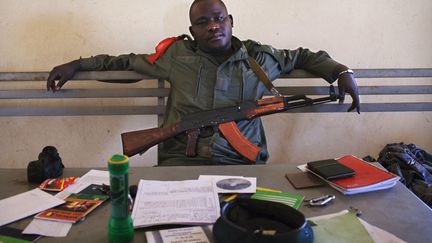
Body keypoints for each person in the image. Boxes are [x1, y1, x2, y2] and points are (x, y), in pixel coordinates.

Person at [46, 0, 360, 166]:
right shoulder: (176, 55)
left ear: (231, 21)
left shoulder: (261, 58)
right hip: (180, 160)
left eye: (219, 18)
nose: (213, 26)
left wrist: (342, 72)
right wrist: (77, 65)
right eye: (203, 22)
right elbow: (125, 63)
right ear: (192, 30)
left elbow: (305, 56)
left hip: (242, 161)